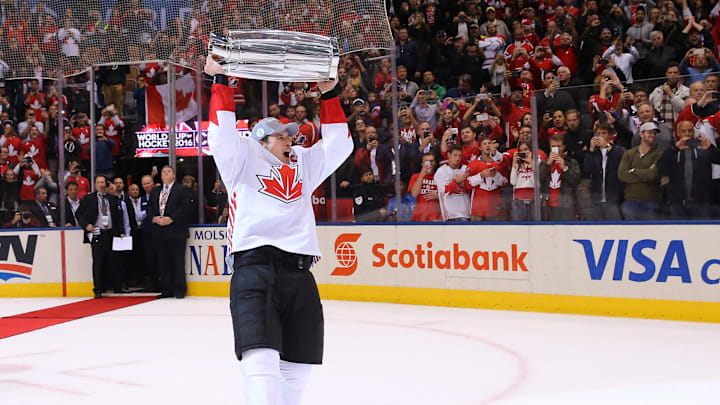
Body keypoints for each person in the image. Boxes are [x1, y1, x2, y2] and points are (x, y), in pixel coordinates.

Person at [204, 55, 352, 405]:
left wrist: (330, 96)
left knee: (298, 365)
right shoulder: (241, 159)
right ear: (260, 141)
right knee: (261, 361)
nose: (290, 140)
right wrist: (221, 81)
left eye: (292, 136)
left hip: (299, 272)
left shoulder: (304, 165)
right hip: (255, 267)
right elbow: (220, 132)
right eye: (281, 136)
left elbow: (340, 145)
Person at [146, 166, 192, 299]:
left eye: (169, 171)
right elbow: (149, 207)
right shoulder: (156, 191)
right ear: (161, 176)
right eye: (164, 172)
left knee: (177, 261)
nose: (166, 173)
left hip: (176, 231)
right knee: (163, 262)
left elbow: (186, 207)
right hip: (159, 232)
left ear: (173, 175)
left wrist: (172, 218)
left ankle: (179, 290)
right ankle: (166, 289)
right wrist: (154, 218)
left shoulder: (182, 190)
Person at [658, 120, 720, 219]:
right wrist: (674, 148)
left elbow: (718, 159)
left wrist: (710, 148)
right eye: (684, 131)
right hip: (677, 202)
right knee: (677, 233)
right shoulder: (672, 149)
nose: (687, 134)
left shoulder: (703, 147)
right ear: (677, 133)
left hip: (701, 202)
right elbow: (661, 166)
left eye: (690, 130)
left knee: (703, 232)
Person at [75, 175, 124, 298]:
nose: (101, 184)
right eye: (98, 182)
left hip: (111, 233)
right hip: (97, 233)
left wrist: (121, 231)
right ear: (95, 184)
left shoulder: (112, 199)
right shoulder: (89, 198)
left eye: (103, 182)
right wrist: (86, 226)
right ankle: (98, 289)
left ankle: (117, 286)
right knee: (98, 262)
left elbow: (118, 217)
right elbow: (79, 213)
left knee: (115, 261)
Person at [618, 122, 663, 220]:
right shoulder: (629, 153)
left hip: (651, 201)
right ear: (641, 134)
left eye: (654, 133)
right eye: (650, 132)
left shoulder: (659, 154)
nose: (653, 135)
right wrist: (645, 173)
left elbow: (653, 175)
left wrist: (633, 171)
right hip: (630, 201)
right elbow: (621, 175)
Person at [583, 123, 626, 220]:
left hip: (613, 198)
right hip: (596, 198)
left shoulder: (618, 150)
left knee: (615, 227)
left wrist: (607, 146)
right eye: (598, 133)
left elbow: (620, 165)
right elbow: (587, 169)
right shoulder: (593, 153)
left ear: (610, 135)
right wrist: (591, 150)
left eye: (604, 133)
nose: (601, 136)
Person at [539, 134, 581, 221]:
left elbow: (575, 181)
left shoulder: (571, 162)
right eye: (553, 146)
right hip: (547, 204)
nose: (556, 149)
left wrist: (565, 168)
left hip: (565, 204)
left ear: (564, 147)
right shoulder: (544, 163)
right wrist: (548, 164)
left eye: (559, 146)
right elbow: (538, 179)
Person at [434, 145, 471, 221]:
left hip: (466, 213)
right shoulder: (441, 171)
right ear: (448, 155)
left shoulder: (466, 169)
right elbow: (445, 191)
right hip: (451, 215)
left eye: (460, 156)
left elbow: (471, 190)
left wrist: (463, 184)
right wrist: (456, 182)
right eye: (455, 155)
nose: (457, 158)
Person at [408, 152, 441, 221]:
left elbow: (447, 196)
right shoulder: (415, 176)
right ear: (422, 164)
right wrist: (422, 175)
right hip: (419, 217)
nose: (429, 164)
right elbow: (414, 194)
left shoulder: (440, 176)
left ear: (435, 163)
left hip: (436, 218)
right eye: (426, 161)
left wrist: (438, 196)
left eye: (431, 161)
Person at [509, 141, 536, 221]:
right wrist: (514, 164)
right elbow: (513, 182)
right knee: (518, 228)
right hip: (518, 201)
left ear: (531, 150)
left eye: (526, 149)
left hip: (533, 201)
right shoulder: (517, 164)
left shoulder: (537, 162)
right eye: (520, 150)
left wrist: (531, 162)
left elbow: (537, 182)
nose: (523, 152)